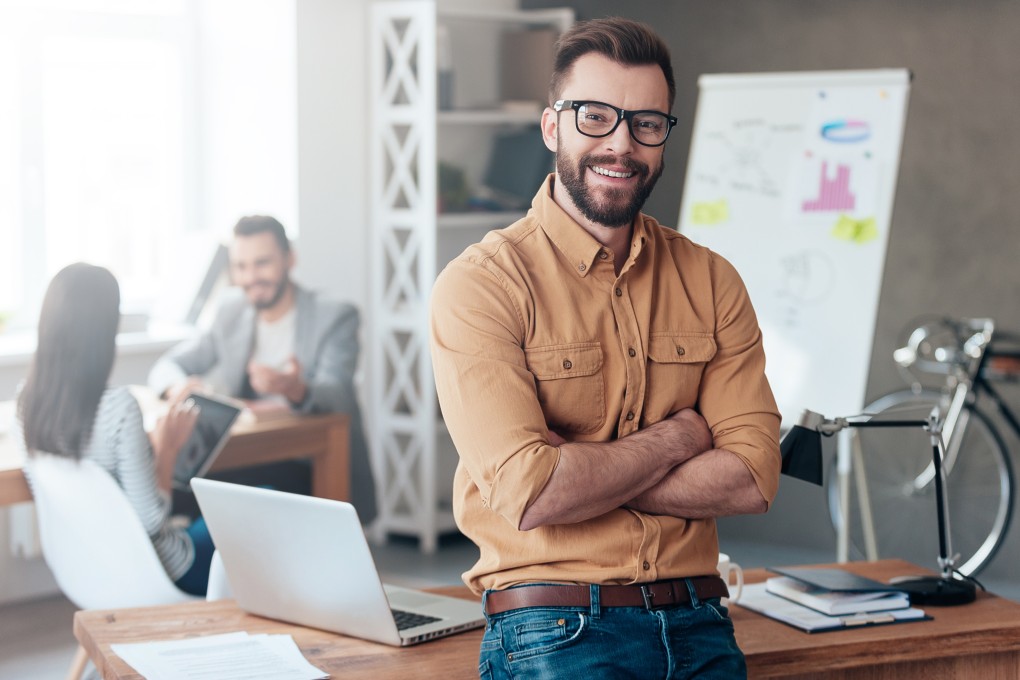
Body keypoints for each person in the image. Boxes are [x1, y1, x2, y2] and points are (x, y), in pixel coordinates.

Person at [429, 17, 781, 679]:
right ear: (551, 126)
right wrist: (679, 439)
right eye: (595, 116)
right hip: (554, 626)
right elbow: (531, 495)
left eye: (647, 123)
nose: (621, 144)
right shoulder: (481, 285)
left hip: (701, 617)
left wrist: (584, 474)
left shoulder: (712, 280)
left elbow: (753, 476)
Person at [148, 215, 377, 523]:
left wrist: (293, 388)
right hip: (249, 456)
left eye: (262, 263)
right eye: (241, 267)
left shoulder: (333, 315)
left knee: (199, 494)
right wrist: (178, 387)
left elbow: (338, 393)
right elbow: (167, 365)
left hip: (310, 461)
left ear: (289, 259)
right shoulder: (231, 309)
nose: (250, 276)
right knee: (179, 486)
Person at [16, 263, 214, 595]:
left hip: (88, 573)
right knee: (262, 509)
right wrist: (166, 449)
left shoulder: (26, 403)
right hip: (162, 572)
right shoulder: (118, 407)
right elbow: (152, 521)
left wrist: (144, 445)